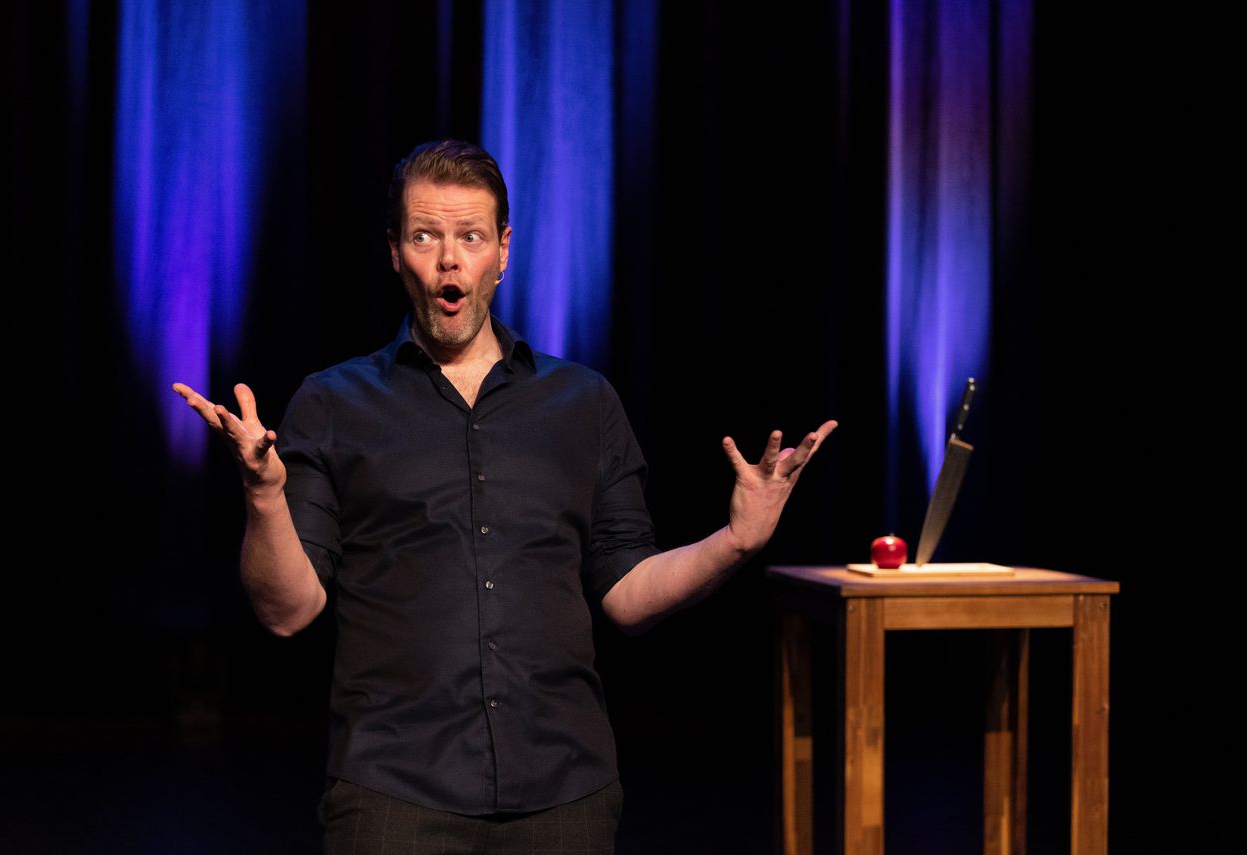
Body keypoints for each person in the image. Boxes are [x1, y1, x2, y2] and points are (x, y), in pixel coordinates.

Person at [173, 139, 836, 854]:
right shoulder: (334, 403)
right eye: (426, 236)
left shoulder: (582, 402)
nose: (449, 259)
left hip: (563, 796)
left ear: (503, 249)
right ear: (396, 251)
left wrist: (734, 540)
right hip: (392, 797)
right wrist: (265, 495)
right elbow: (287, 609)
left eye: (471, 237)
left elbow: (627, 592)